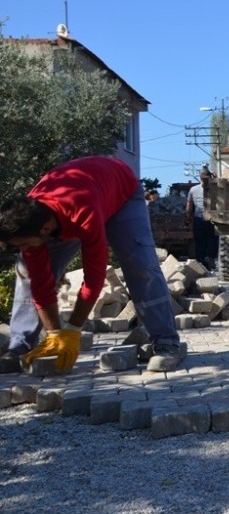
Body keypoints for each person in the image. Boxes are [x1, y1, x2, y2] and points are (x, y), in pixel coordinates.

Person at [0, 156, 184, 374]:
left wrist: (73, 330)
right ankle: (20, 346)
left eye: (23, 243)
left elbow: (94, 277)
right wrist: (56, 335)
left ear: (46, 229)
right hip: (81, 198)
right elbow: (40, 284)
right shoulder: (28, 216)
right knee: (27, 271)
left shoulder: (81, 213)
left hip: (122, 194)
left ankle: (167, 342)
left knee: (141, 265)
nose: (23, 248)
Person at [186, 168, 218, 270]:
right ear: (209, 178)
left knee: (200, 242)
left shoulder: (193, 189)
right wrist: (215, 178)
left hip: (198, 219)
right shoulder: (215, 188)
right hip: (212, 218)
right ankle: (210, 256)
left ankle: (203, 264)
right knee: (213, 239)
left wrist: (188, 217)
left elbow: (189, 205)